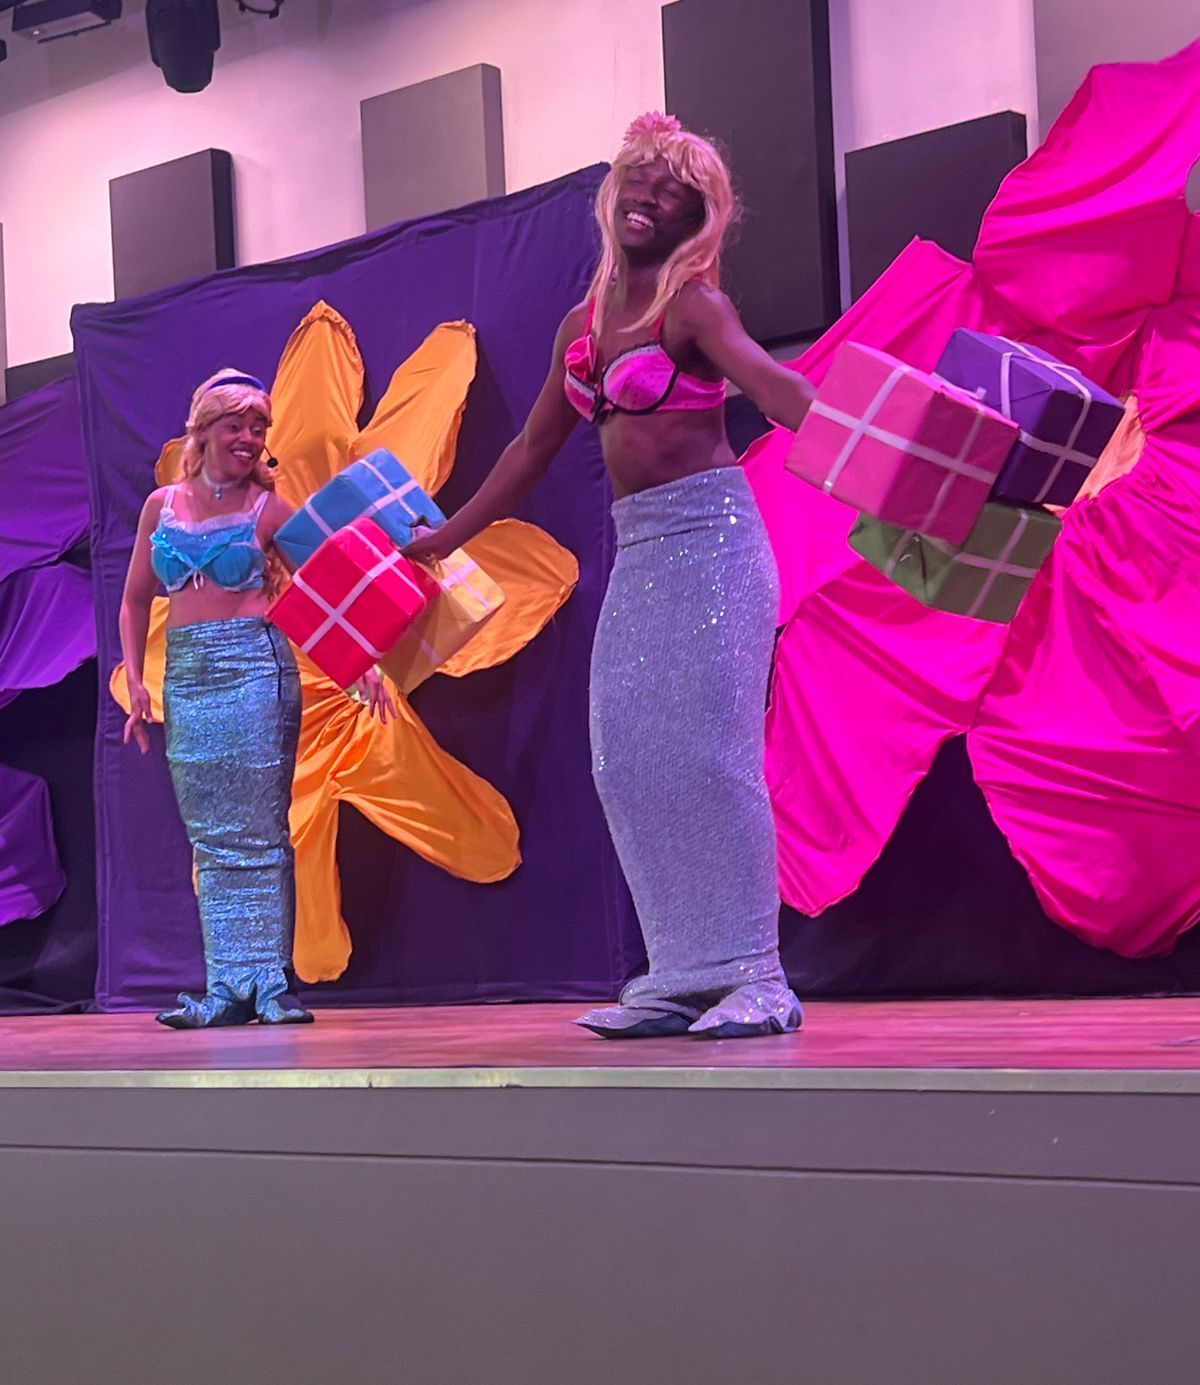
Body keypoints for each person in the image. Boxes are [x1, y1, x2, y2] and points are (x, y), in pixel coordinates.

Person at [407, 113, 815, 1038]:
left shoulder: (695, 308)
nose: (650, 196)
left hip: (714, 544)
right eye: (640, 177)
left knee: (712, 761)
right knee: (625, 762)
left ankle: (756, 975)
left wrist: (875, 443)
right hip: (641, 553)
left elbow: (771, 386)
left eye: (674, 189)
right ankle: (681, 970)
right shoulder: (581, 327)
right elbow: (528, 451)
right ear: (615, 189)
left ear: (696, 216)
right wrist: (445, 539)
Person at [120, 368, 392, 1029]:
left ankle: (269, 984)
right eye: (237, 425)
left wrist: (360, 661)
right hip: (187, 679)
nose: (249, 438)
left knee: (262, 831)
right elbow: (134, 598)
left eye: (258, 428)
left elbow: (328, 586)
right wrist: (135, 681)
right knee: (211, 839)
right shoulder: (162, 506)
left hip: (255, 672)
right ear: (205, 430)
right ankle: (224, 988)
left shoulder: (266, 510)